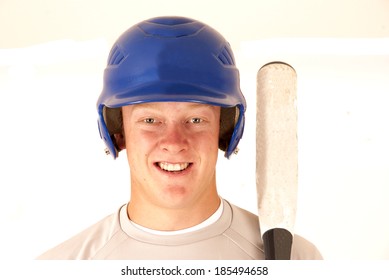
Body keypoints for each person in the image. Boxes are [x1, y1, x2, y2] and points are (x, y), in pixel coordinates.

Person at [37, 16, 322, 260]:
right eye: (150, 120)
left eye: (195, 120)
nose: (173, 141)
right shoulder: (63, 267)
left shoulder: (295, 260)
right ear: (118, 132)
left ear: (225, 131)